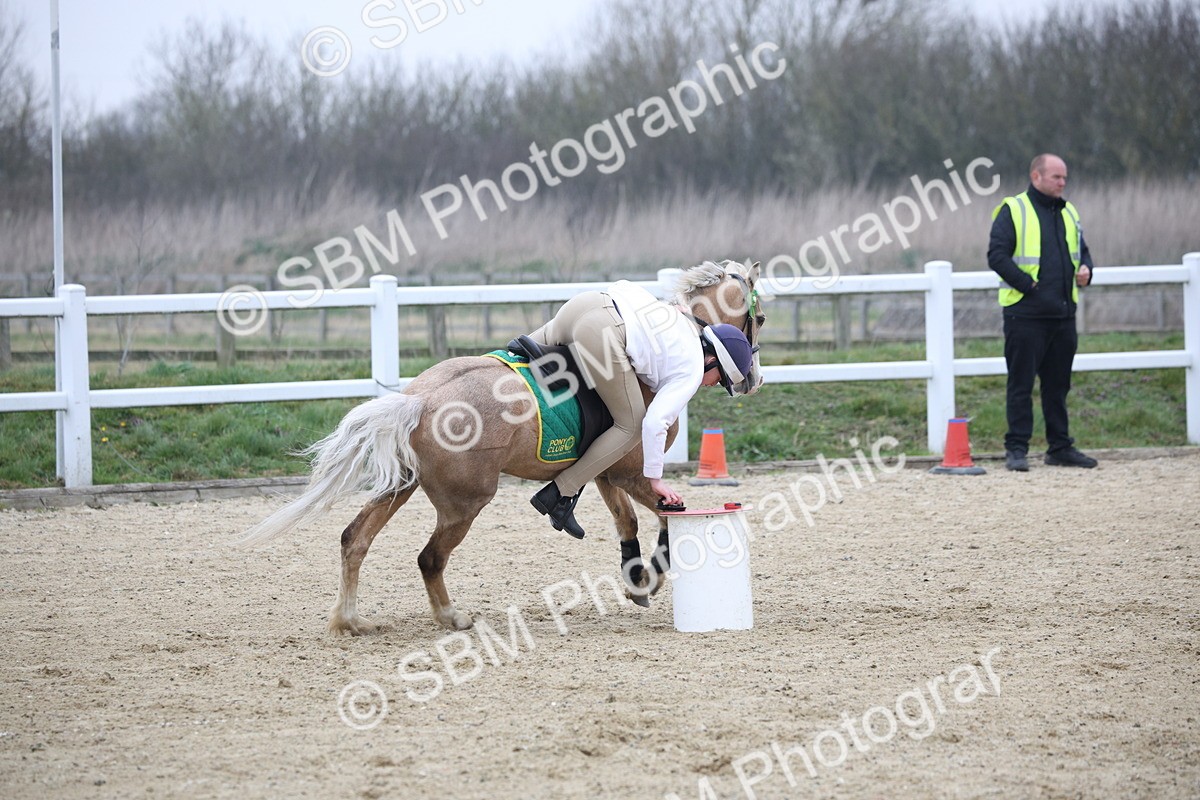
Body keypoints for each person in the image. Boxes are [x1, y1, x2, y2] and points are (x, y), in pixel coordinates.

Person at [524, 279, 754, 538]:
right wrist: (655, 480)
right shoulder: (692, 370)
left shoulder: (681, 321)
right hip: (600, 333)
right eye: (720, 379)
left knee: (507, 365)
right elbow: (655, 423)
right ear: (711, 360)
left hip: (581, 306)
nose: (712, 385)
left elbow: (624, 287)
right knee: (631, 425)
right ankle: (559, 494)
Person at [988, 153, 1097, 472]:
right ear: (1036, 176)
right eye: (1056, 177)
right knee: (1020, 385)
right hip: (1025, 315)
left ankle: (1060, 447)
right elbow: (996, 256)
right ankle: (1016, 449)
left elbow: (1083, 251)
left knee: (1058, 386)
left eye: (1065, 178)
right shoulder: (1013, 209)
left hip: (1063, 315)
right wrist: (1028, 286)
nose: (1063, 183)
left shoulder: (1069, 211)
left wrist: (1088, 269)